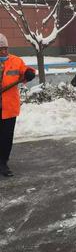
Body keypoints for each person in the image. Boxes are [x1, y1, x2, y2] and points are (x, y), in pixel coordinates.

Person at [0, 33, 36, 177]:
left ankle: (3, 163)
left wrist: (29, 73)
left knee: (7, 137)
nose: (3, 51)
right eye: (0, 49)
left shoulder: (16, 61)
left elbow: (26, 70)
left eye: (5, 48)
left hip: (9, 107)